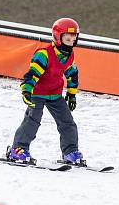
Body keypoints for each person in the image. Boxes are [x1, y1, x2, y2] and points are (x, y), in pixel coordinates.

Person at [6, 18, 83, 164]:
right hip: (38, 93)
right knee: (32, 121)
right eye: (68, 37)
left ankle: (70, 151)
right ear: (58, 36)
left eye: (74, 37)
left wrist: (72, 93)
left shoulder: (69, 55)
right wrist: (27, 91)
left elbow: (72, 73)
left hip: (54, 94)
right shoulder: (44, 54)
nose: (72, 40)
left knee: (67, 122)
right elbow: (32, 74)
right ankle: (17, 150)